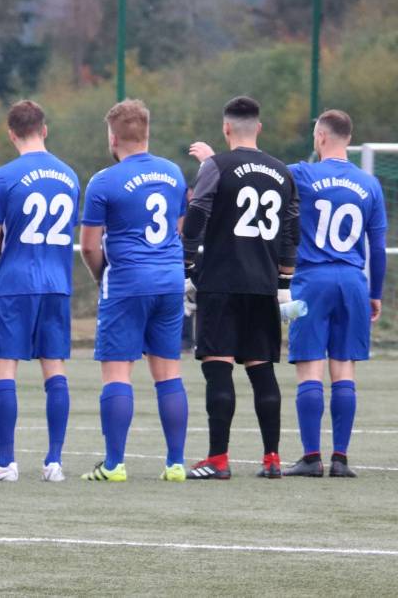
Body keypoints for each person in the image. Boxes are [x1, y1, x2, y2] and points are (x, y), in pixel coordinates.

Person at [182, 96, 299, 480]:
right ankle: (272, 459)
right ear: (259, 128)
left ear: (225, 127)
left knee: (218, 369)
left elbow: (198, 211)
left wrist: (186, 263)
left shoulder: (215, 165)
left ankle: (218, 460)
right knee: (262, 371)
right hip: (263, 285)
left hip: (220, 282)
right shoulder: (283, 172)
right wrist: (284, 281)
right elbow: (290, 231)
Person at [79, 99, 189, 482]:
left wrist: (100, 278)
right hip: (170, 280)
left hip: (127, 281)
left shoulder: (104, 181)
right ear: (147, 133)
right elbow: (178, 226)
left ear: (112, 137)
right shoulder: (174, 173)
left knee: (116, 374)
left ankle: (113, 465)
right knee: (168, 374)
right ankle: (175, 464)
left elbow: (90, 246)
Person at [0, 100, 79, 482]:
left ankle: (6, 462)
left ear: (11, 133)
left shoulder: (4, 176)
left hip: (16, 282)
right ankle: (54, 461)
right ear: (45, 129)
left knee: (5, 367)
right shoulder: (70, 176)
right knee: (54, 368)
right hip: (57, 284)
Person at [281, 110, 386, 478]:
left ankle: (312, 457)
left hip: (311, 281)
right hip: (353, 281)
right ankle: (340, 458)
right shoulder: (370, 184)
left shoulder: (303, 174)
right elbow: (377, 243)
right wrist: (375, 293)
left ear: (321, 137)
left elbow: (269, 176)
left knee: (310, 367)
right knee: (344, 370)